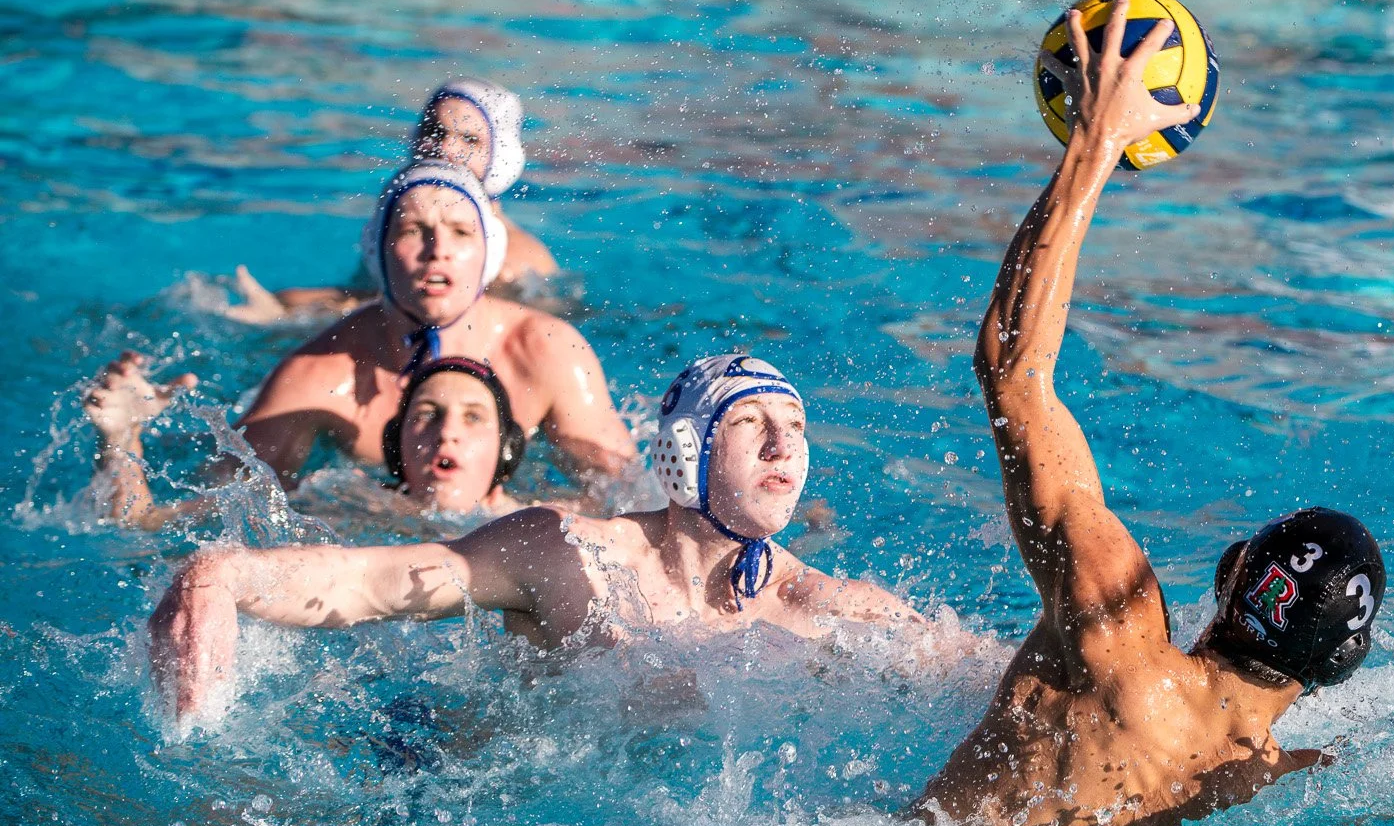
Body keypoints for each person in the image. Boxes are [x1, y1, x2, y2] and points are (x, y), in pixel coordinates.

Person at [913, 0, 1387, 826]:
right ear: (1341, 665)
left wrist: (1092, 146)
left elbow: (1013, 373)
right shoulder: (1272, 783)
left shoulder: (1119, 628)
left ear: (1231, 568)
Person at [148, 355, 924, 734]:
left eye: (796, 430)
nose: (784, 446)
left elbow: (981, 673)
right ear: (685, 450)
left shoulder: (825, 606)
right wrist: (221, 573)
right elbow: (371, 581)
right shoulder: (566, 552)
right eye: (754, 425)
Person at [89, 159, 635, 496]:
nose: (437, 249)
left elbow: (625, 497)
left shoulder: (545, 351)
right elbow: (188, 527)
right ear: (379, 252)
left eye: (460, 232)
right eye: (414, 230)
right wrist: (121, 443)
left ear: (487, 256)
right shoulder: (320, 377)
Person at [226, 78, 558, 325]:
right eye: (435, 131)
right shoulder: (399, 220)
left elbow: (437, 317)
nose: (446, 149)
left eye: (469, 139)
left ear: (501, 157)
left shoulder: (514, 261)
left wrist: (288, 310)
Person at [84, 353, 528, 528]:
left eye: (474, 418)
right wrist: (120, 437)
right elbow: (140, 525)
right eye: (427, 415)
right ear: (396, 446)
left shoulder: (546, 526)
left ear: (505, 452)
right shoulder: (339, 502)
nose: (447, 432)